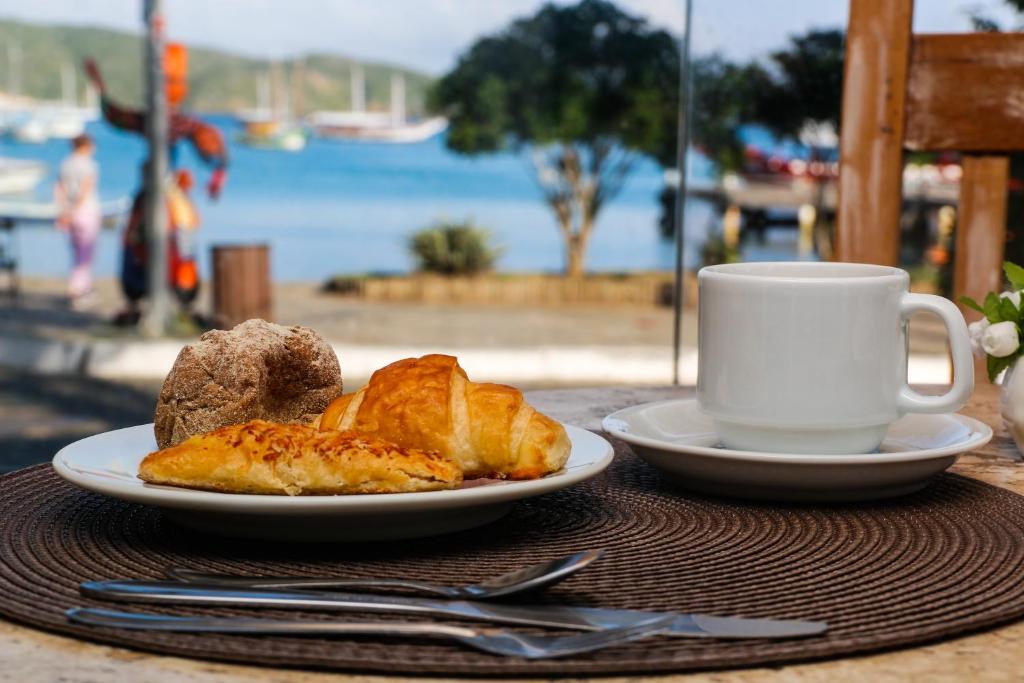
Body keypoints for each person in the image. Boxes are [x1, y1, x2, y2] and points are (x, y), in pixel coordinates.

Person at [55, 133, 102, 308]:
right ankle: (78, 290)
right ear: (87, 146)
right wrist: (74, 210)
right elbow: (86, 189)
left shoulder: (65, 164)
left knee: (76, 252)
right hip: (86, 211)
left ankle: (79, 287)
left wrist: (64, 212)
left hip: (68, 212)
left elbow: (59, 188)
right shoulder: (89, 165)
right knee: (86, 253)